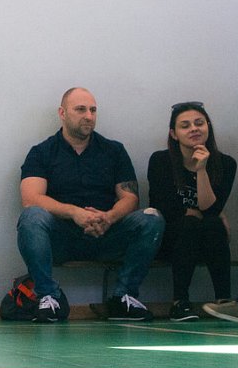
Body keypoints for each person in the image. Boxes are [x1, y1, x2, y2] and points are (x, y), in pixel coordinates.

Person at [17, 87, 164, 322]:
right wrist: (74, 213)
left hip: (107, 234)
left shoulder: (114, 150)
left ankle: (123, 298)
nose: (88, 116)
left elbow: (130, 198)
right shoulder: (42, 152)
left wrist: (109, 217)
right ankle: (49, 297)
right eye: (81, 109)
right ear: (62, 113)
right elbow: (31, 198)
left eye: (93, 110)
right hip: (62, 238)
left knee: (151, 217)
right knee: (31, 216)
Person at [147, 102, 237, 321]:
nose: (194, 129)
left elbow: (211, 210)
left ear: (208, 127)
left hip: (207, 238)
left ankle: (224, 301)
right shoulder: (160, 161)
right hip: (170, 240)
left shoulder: (226, 164)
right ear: (174, 134)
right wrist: (196, 213)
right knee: (190, 224)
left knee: (213, 223)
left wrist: (201, 170)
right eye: (185, 126)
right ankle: (179, 303)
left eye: (199, 123)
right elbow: (164, 207)